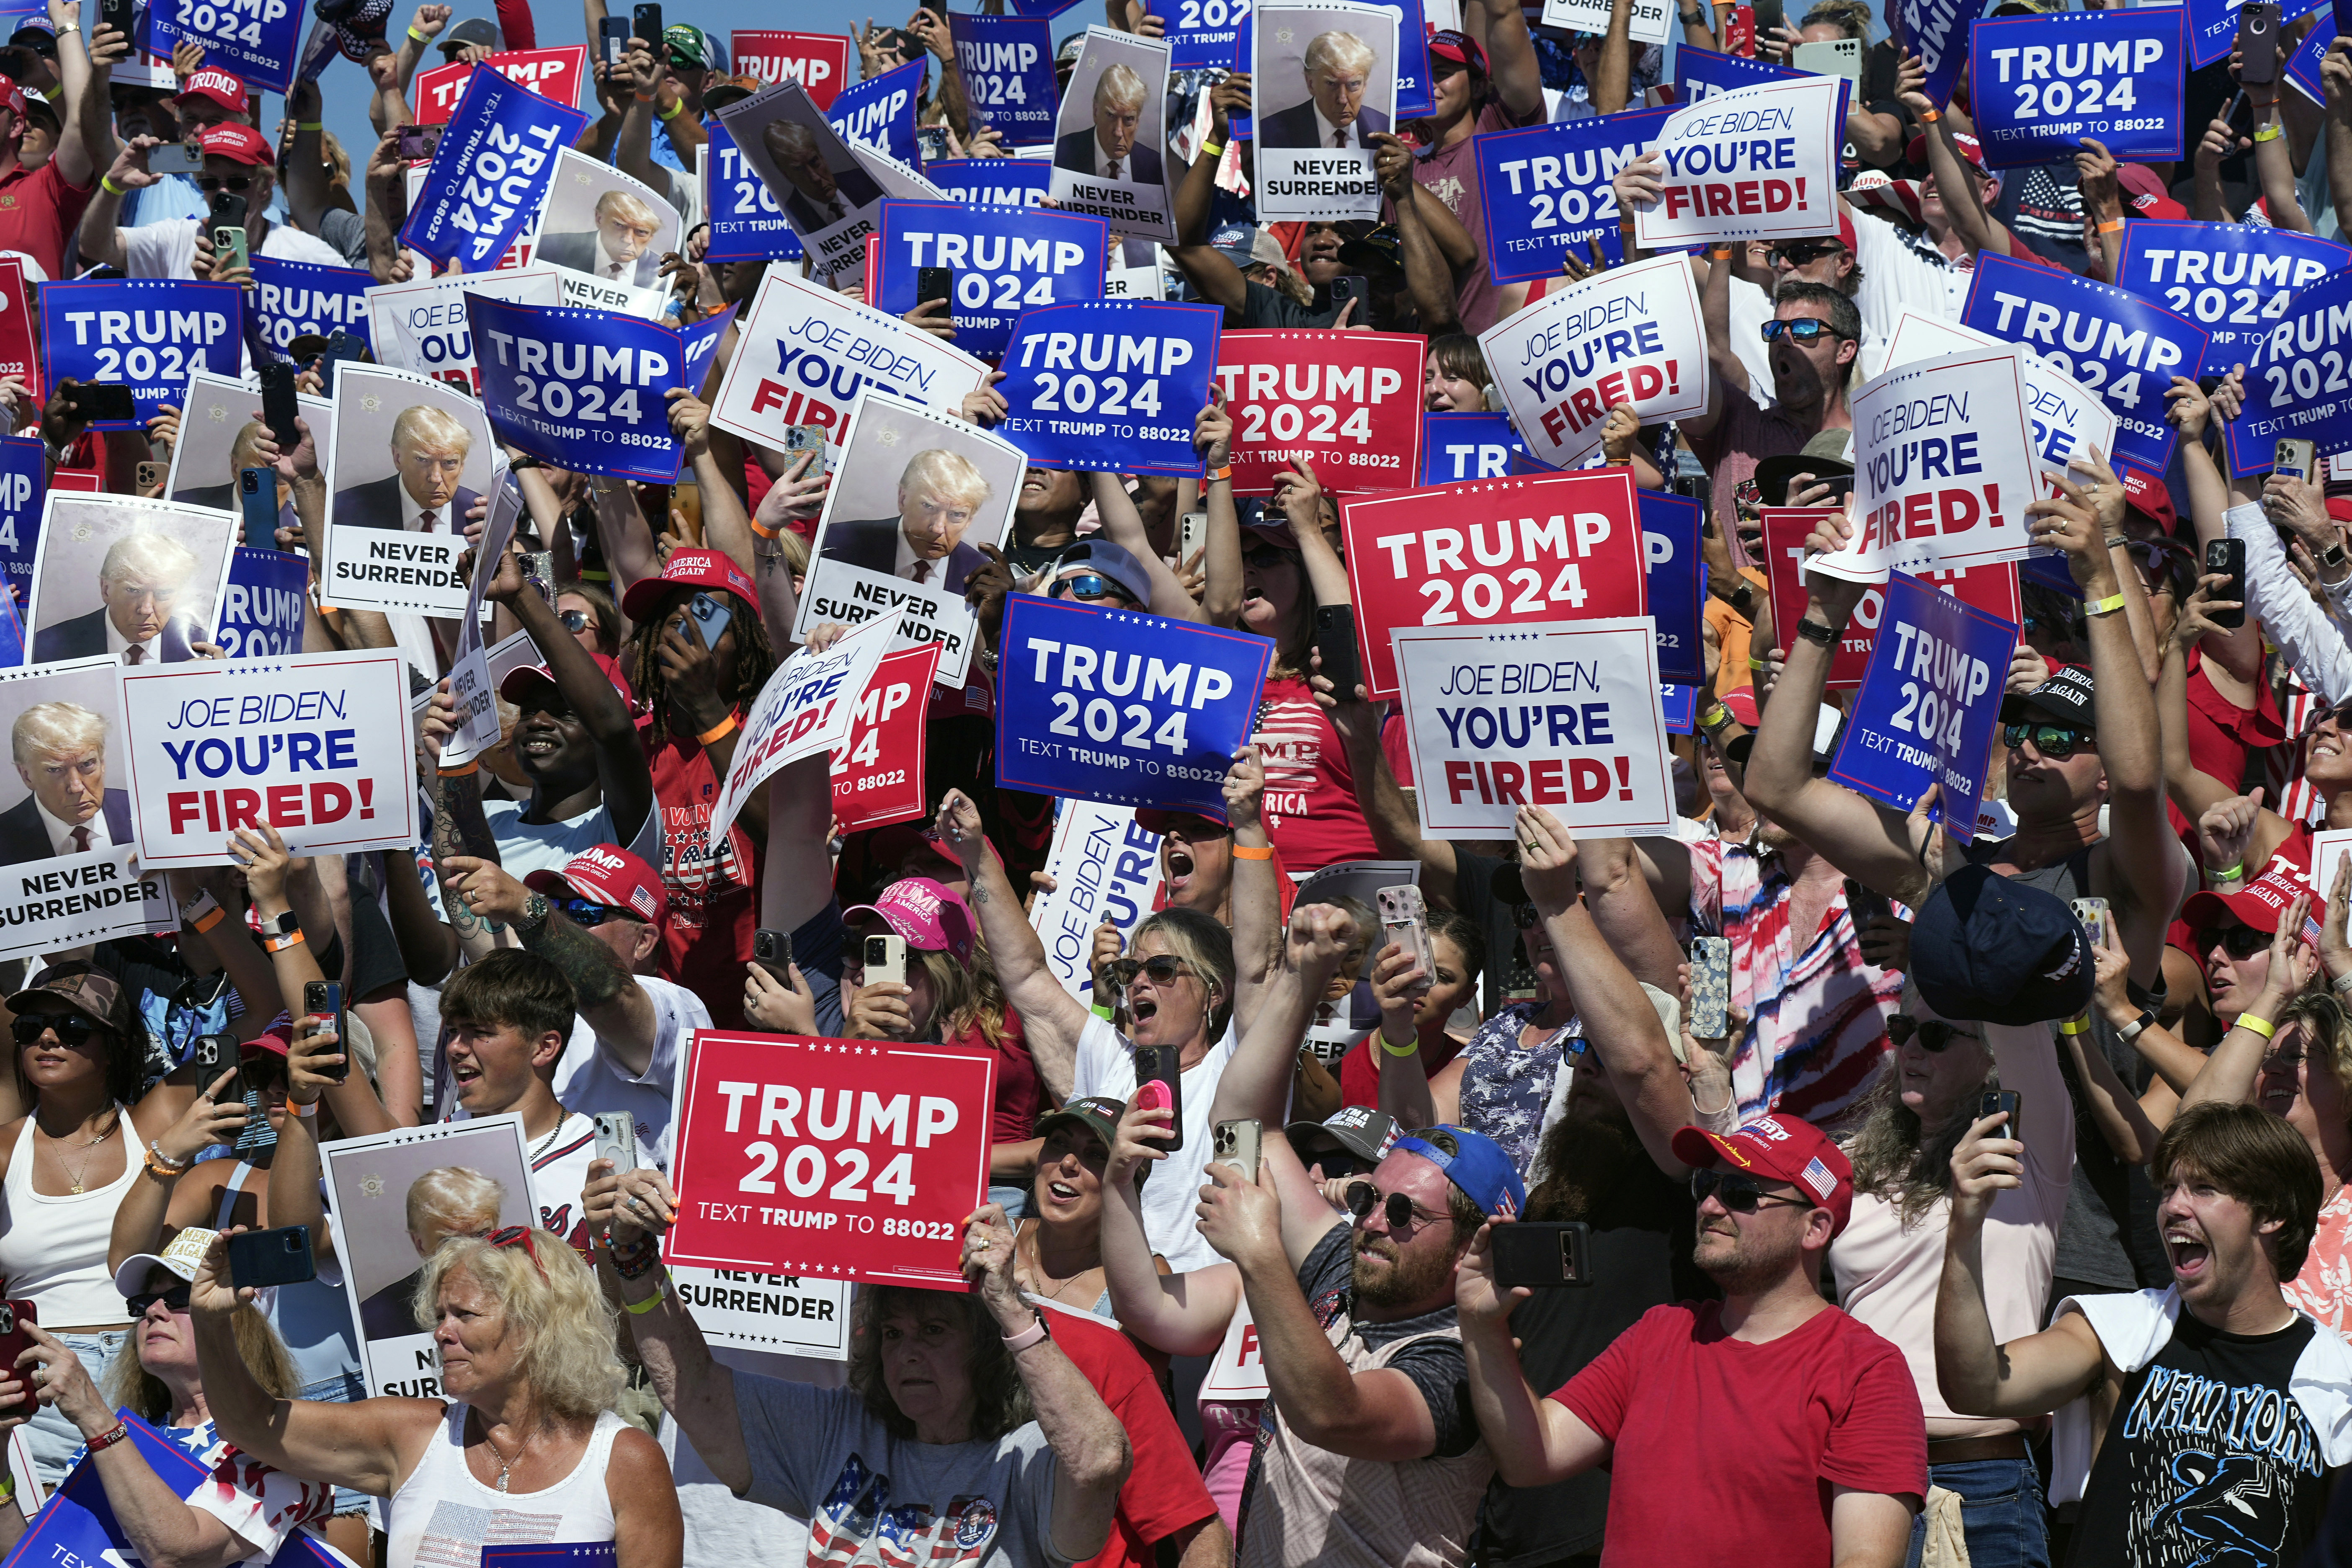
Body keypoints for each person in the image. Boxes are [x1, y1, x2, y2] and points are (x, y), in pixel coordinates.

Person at [1460, 1113, 1928, 1567]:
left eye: (1741, 1193)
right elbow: (1532, 1456)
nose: (1709, 1206)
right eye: (1706, 1184)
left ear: (1816, 1228)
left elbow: (1866, 1558)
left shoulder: (1867, 1369)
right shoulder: (1661, 1331)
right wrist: (1484, 1326)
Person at [607, 1178, 1133, 1568]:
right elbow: (697, 1393)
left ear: (982, 1347)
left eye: (932, 1332)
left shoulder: (1025, 1458)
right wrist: (634, 1261)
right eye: (892, 1334)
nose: (907, 1352)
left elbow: (1101, 1461)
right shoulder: (841, 1428)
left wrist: (1008, 1306)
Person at [1935, 1102, 2352, 1566]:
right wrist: (1965, 1226)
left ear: (2271, 1215)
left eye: (2204, 1189)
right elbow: (1978, 1387)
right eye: (2169, 1188)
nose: (2174, 1206)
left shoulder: (2337, 1380)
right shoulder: (2122, 1331)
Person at [191, 1225, 685, 1568]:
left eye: (465, 1315)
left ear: (538, 1327)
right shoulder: (411, 1435)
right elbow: (253, 1426)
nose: (441, 1333)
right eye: (441, 1315)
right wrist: (211, 1323)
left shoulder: (623, 1460)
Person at [0, 1226, 336, 1563]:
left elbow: (179, 1556)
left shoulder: (285, 1442)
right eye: (143, 1302)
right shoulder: (118, 1438)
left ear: (240, 1319)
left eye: (180, 1297)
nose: (153, 1311)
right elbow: (42, 1558)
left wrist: (94, 1417)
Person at [0, 962, 199, 1484]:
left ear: (113, 1046)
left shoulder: (154, 1123)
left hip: (151, 1370)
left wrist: (204, 905)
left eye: (72, 1029)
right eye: (29, 1029)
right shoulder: (4, 1149)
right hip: (39, 1381)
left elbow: (266, 1008)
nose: (47, 1038)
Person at [355, 1166, 506, 1341]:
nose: (469, 1252)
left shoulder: (529, 1291)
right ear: (420, 1244)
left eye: (481, 1235)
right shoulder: (377, 1318)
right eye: (451, 1241)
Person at [817, 448, 994, 593]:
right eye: (929, 507)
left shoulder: (982, 575)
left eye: (956, 515)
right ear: (903, 499)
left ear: (970, 520)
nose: (938, 528)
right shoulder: (839, 542)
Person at [31, 532, 207, 663]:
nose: (146, 609)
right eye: (134, 590)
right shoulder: (47, 648)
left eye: (163, 594)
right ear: (106, 590)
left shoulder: (203, 648)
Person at [0, 701, 133, 865]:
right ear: (26, 776)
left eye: (87, 765)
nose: (76, 787)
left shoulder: (147, 814)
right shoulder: (4, 842)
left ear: (102, 763)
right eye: (55, 770)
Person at [332, 404, 480, 533]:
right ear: (398, 458)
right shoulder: (345, 509)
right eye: (423, 460)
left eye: (449, 463)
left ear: (462, 465)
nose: (435, 478)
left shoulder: (485, 518)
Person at [1259, 31, 1388, 149]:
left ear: (1365, 84)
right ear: (1310, 83)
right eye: (1332, 84)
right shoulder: (1270, 132)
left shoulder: (1386, 128)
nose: (1343, 99)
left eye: (1354, 84)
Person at [758, 115, 881, 232]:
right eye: (800, 170)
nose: (815, 177)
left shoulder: (863, 180)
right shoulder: (792, 217)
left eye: (814, 162)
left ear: (821, 156)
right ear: (786, 175)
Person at [536, 188, 666, 286]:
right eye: (619, 225)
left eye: (641, 232)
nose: (627, 239)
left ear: (651, 237)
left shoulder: (663, 274)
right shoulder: (550, 249)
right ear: (599, 219)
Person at [1053, 62, 1160, 182]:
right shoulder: (1060, 154)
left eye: (1129, 119)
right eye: (1111, 116)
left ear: (1138, 121)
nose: (1119, 132)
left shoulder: (1156, 167)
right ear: (1095, 112)